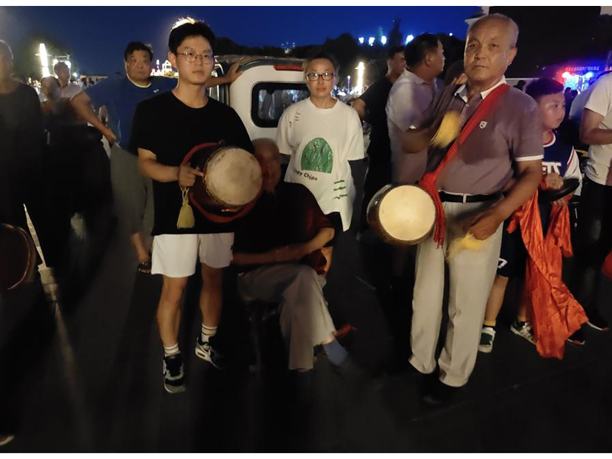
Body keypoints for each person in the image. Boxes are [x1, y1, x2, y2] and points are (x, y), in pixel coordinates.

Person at [401, 14, 543, 405]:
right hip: (432, 207)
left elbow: (532, 174)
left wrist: (498, 214)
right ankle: (419, 361)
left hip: (479, 214)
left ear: (510, 55)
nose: (480, 54)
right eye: (473, 45)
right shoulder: (449, 93)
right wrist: (433, 133)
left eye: (493, 47)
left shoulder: (521, 106)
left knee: (465, 303)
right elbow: (410, 143)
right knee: (424, 294)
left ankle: (453, 376)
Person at [130, 19, 253, 394]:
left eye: (205, 55)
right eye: (189, 54)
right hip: (175, 214)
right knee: (175, 287)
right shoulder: (151, 111)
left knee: (214, 280)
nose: (199, 61)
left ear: (213, 61)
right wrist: (174, 173)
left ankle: (206, 341)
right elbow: (145, 163)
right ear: (173, 59)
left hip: (218, 214)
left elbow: (243, 163)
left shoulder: (226, 116)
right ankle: (171, 356)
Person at [479, 78, 583, 354]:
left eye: (562, 105)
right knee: (501, 274)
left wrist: (562, 192)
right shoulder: (516, 143)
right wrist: (535, 185)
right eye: (553, 105)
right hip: (513, 224)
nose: (560, 111)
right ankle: (488, 325)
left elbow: (574, 182)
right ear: (531, 109)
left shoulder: (565, 149)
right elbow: (500, 179)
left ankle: (521, 320)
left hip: (544, 226)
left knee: (532, 274)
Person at [233, 139, 355, 375]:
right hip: (256, 277)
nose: (268, 167)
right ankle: (331, 345)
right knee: (302, 279)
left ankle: (300, 368)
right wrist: (271, 257)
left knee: (300, 286)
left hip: (301, 272)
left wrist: (303, 249)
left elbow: (328, 231)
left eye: (273, 159)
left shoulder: (296, 192)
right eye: (260, 160)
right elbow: (231, 257)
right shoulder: (240, 200)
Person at [72, 42, 177, 274]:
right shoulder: (115, 84)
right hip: (126, 154)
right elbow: (78, 101)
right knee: (129, 206)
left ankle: (152, 246)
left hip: (156, 156)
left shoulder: (161, 84)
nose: (140, 65)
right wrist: (105, 130)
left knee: (158, 204)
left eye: (145, 60)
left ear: (151, 64)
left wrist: (226, 79)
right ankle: (142, 255)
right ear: (126, 64)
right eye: (134, 60)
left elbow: (193, 83)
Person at [276, 52, 364, 273]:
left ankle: (318, 289)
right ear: (306, 79)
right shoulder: (292, 114)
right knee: (296, 249)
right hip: (299, 196)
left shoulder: (349, 116)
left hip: (333, 197)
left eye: (326, 74)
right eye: (314, 75)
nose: (320, 80)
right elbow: (286, 154)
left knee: (325, 250)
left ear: (335, 78)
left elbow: (352, 158)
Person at [0, 38, 45, 449]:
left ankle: (32, 313)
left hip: (20, 186)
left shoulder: (26, 95)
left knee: (23, 251)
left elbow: (35, 137)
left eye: (5, 57)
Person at [385, 34, 445, 294]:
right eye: (441, 53)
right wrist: (445, 125)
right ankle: (397, 284)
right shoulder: (404, 90)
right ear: (429, 58)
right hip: (409, 174)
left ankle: (416, 281)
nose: (444, 58)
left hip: (431, 174)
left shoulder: (435, 85)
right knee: (405, 231)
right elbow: (414, 139)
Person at [570, 71, 612, 341]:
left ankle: (588, 306)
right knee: (589, 250)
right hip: (601, 182)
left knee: (604, 248)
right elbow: (586, 132)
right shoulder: (607, 84)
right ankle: (574, 313)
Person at [352, 46, 405, 237]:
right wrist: (373, 121)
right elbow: (358, 105)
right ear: (390, 62)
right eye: (401, 59)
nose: (405, 64)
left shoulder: (405, 86)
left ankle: (389, 229)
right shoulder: (381, 85)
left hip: (400, 149)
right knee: (374, 188)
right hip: (381, 146)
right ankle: (366, 228)